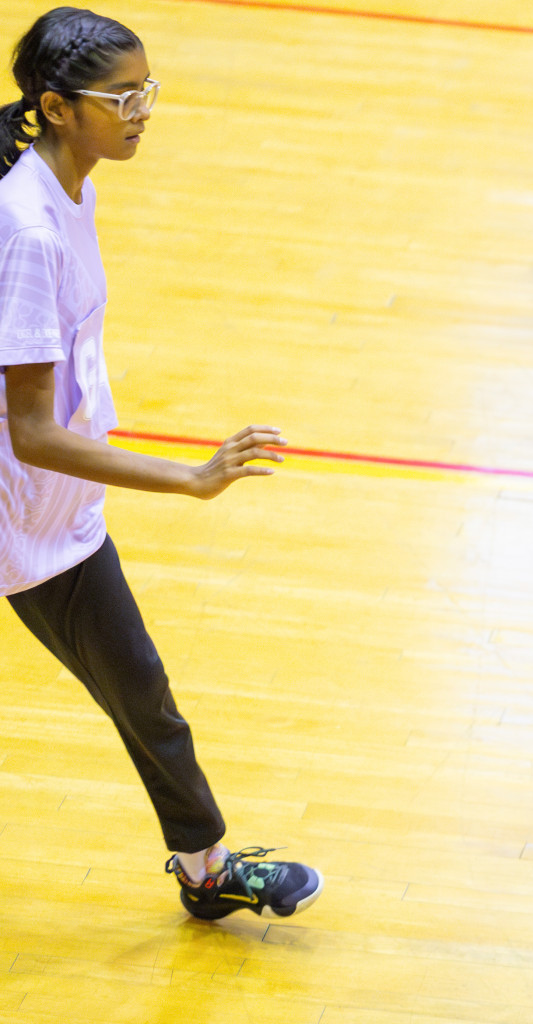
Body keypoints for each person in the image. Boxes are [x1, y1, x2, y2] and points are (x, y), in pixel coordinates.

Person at [0, 7, 322, 921]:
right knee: (145, 697)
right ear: (59, 108)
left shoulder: (70, 187)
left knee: (143, 697)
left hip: (54, 508)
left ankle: (205, 869)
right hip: (26, 518)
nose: (143, 110)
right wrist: (188, 476)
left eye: (149, 90)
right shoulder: (28, 228)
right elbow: (29, 428)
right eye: (123, 96)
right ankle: (209, 872)